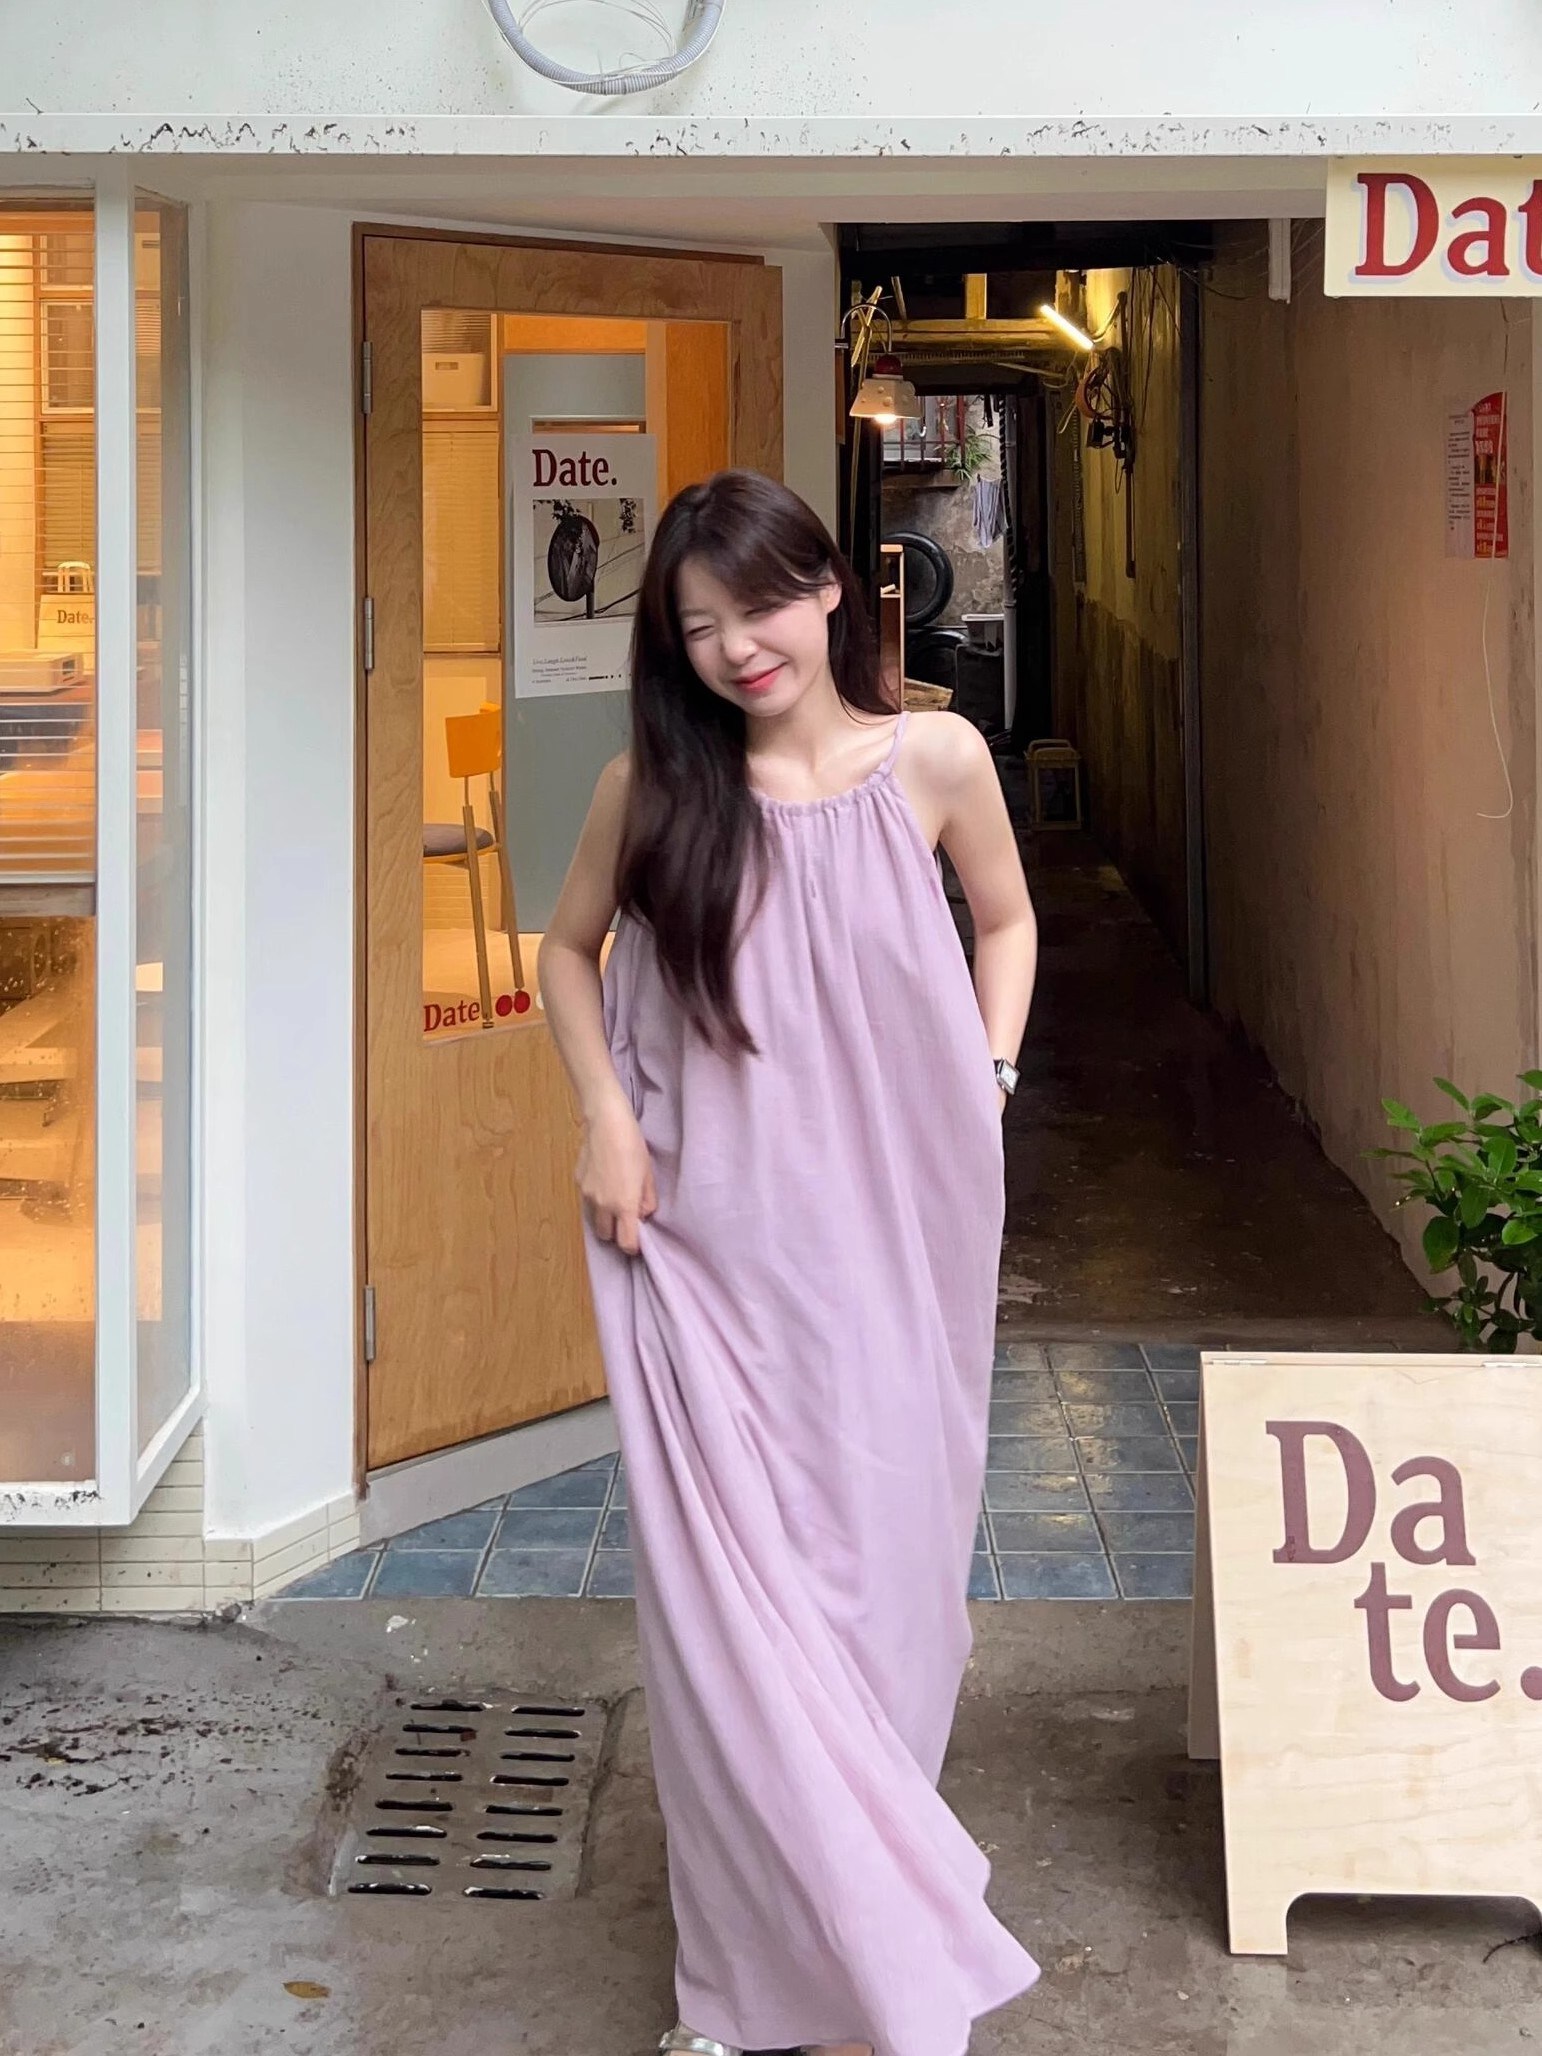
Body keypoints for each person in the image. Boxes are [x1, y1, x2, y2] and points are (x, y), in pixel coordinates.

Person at [540, 470, 1040, 2056]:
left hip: (898, 1237)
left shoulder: (935, 761)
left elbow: (1007, 922)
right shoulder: (651, 789)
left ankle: (856, 1940)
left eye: (758, 606)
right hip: (705, 1248)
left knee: (891, 1595)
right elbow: (564, 952)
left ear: (830, 591)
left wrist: (986, 1076)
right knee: (729, 1631)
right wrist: (604, 1116)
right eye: (698, 626)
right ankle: (766, 1982)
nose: (735, 647)